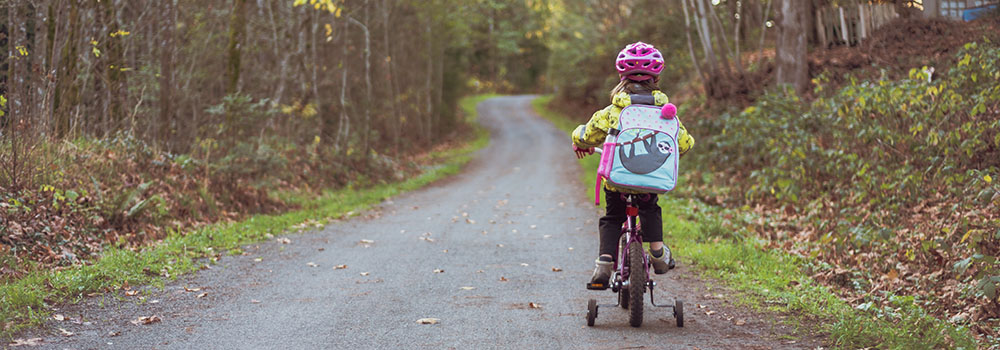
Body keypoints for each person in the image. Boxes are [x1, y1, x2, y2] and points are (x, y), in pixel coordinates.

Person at [570, 42, 695, 287]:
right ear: (656, 78)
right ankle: (658, 253)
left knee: (612, 217)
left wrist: (578, 139)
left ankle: (604, 263)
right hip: (650, 182)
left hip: (618, 182)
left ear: (621, 76)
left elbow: (587, 134)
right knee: (650, 208)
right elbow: (684, 143)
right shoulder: (665, 113)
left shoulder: (613, 111)